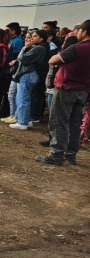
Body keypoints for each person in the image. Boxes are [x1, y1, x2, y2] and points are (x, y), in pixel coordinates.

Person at [36, 20, 90, 166]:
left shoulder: (77, 48)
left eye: (78, 31)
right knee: (74, 123)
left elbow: (53, 60)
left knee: (59, 121)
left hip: (67, 88)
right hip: (83, 91)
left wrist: (62, 62)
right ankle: (71, 155)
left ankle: (56, 155)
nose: (76, 33)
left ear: (84, 32)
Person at [9, 29, 48, 130]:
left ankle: (22, 122)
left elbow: (23, 59)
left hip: (28, 74)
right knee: (25, 97)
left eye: (35, 36)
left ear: (41, 38)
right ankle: (27, 119)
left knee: (23, 98)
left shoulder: (39, 48)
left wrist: (26, 48)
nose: (32, 38)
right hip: (29, 74)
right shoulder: (37, 47)